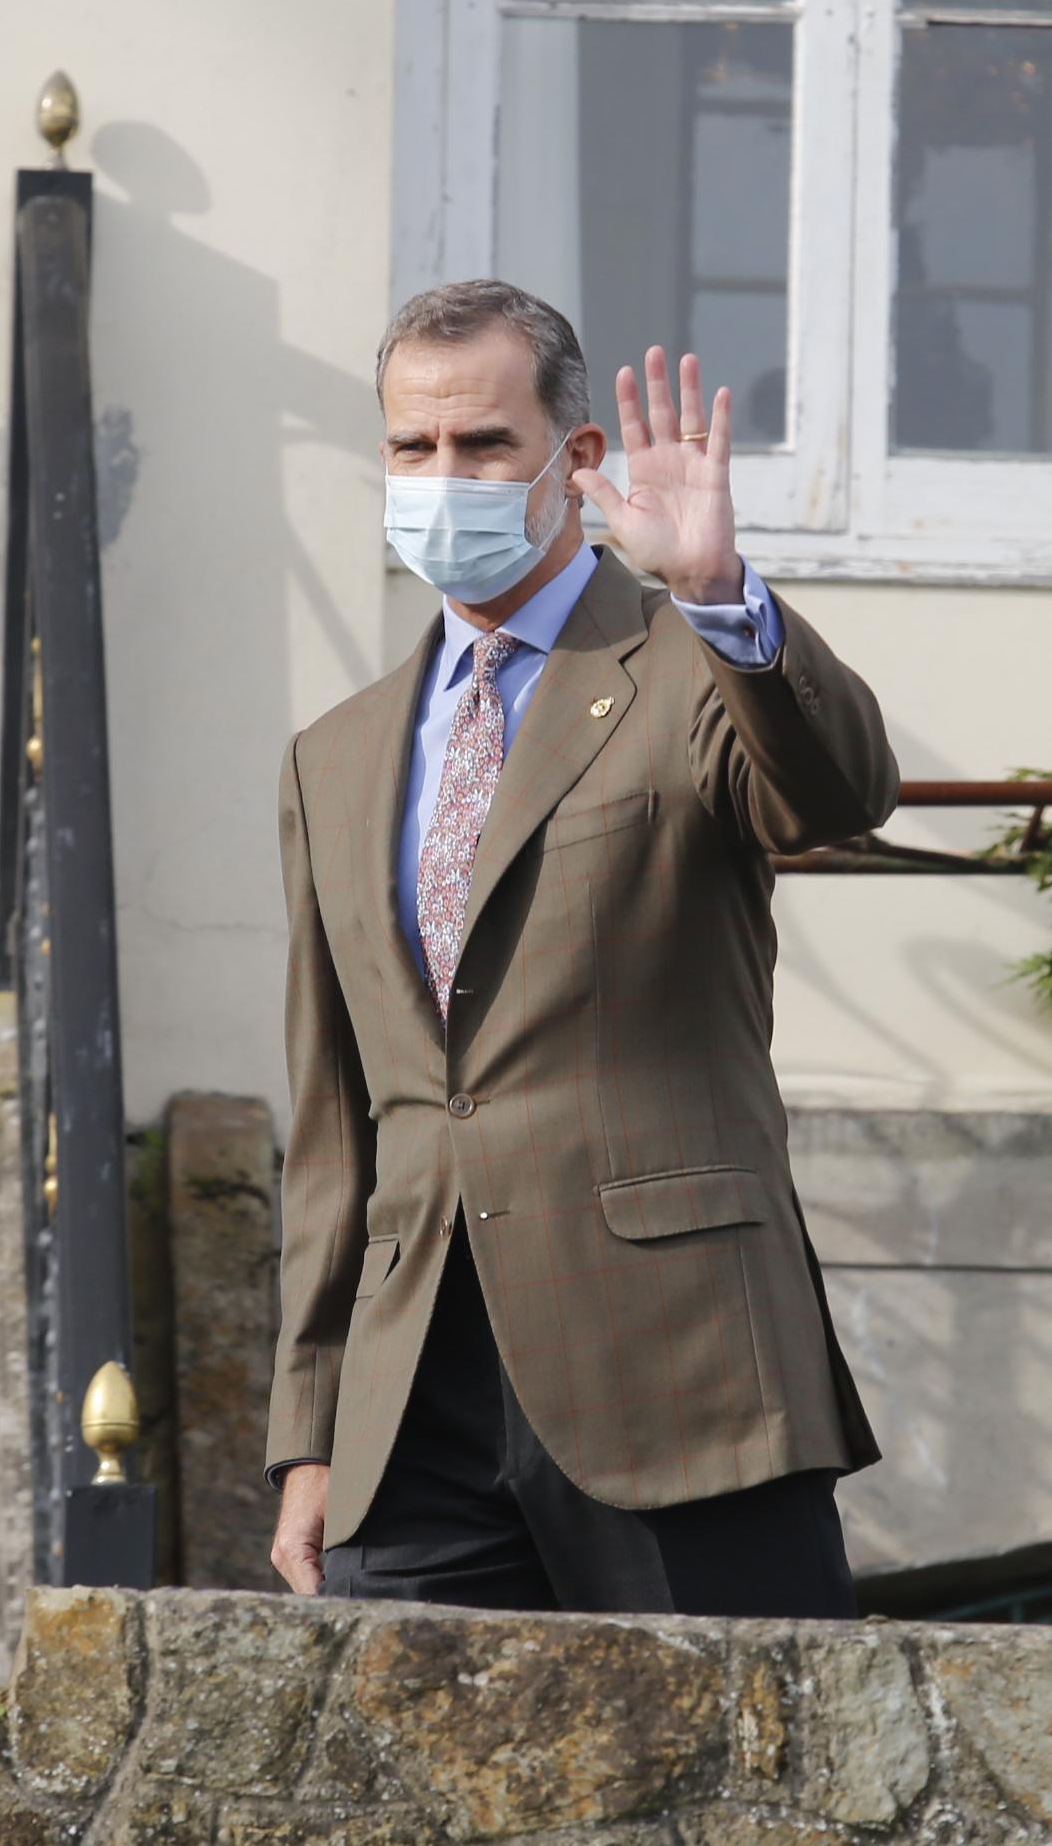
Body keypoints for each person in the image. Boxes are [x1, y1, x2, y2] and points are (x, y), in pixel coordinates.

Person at [262, 280, 901, 1616]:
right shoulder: (338, 755)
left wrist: (720, 594)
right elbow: (338, 1122)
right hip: (411, 1391)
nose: (445, 478)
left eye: (485, 446)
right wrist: (311, 1427)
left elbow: (837, 794)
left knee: (746, 1797)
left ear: (578, 459)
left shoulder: (682, 665)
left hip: (675, 1373)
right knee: (398, 1811)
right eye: (412, 449)